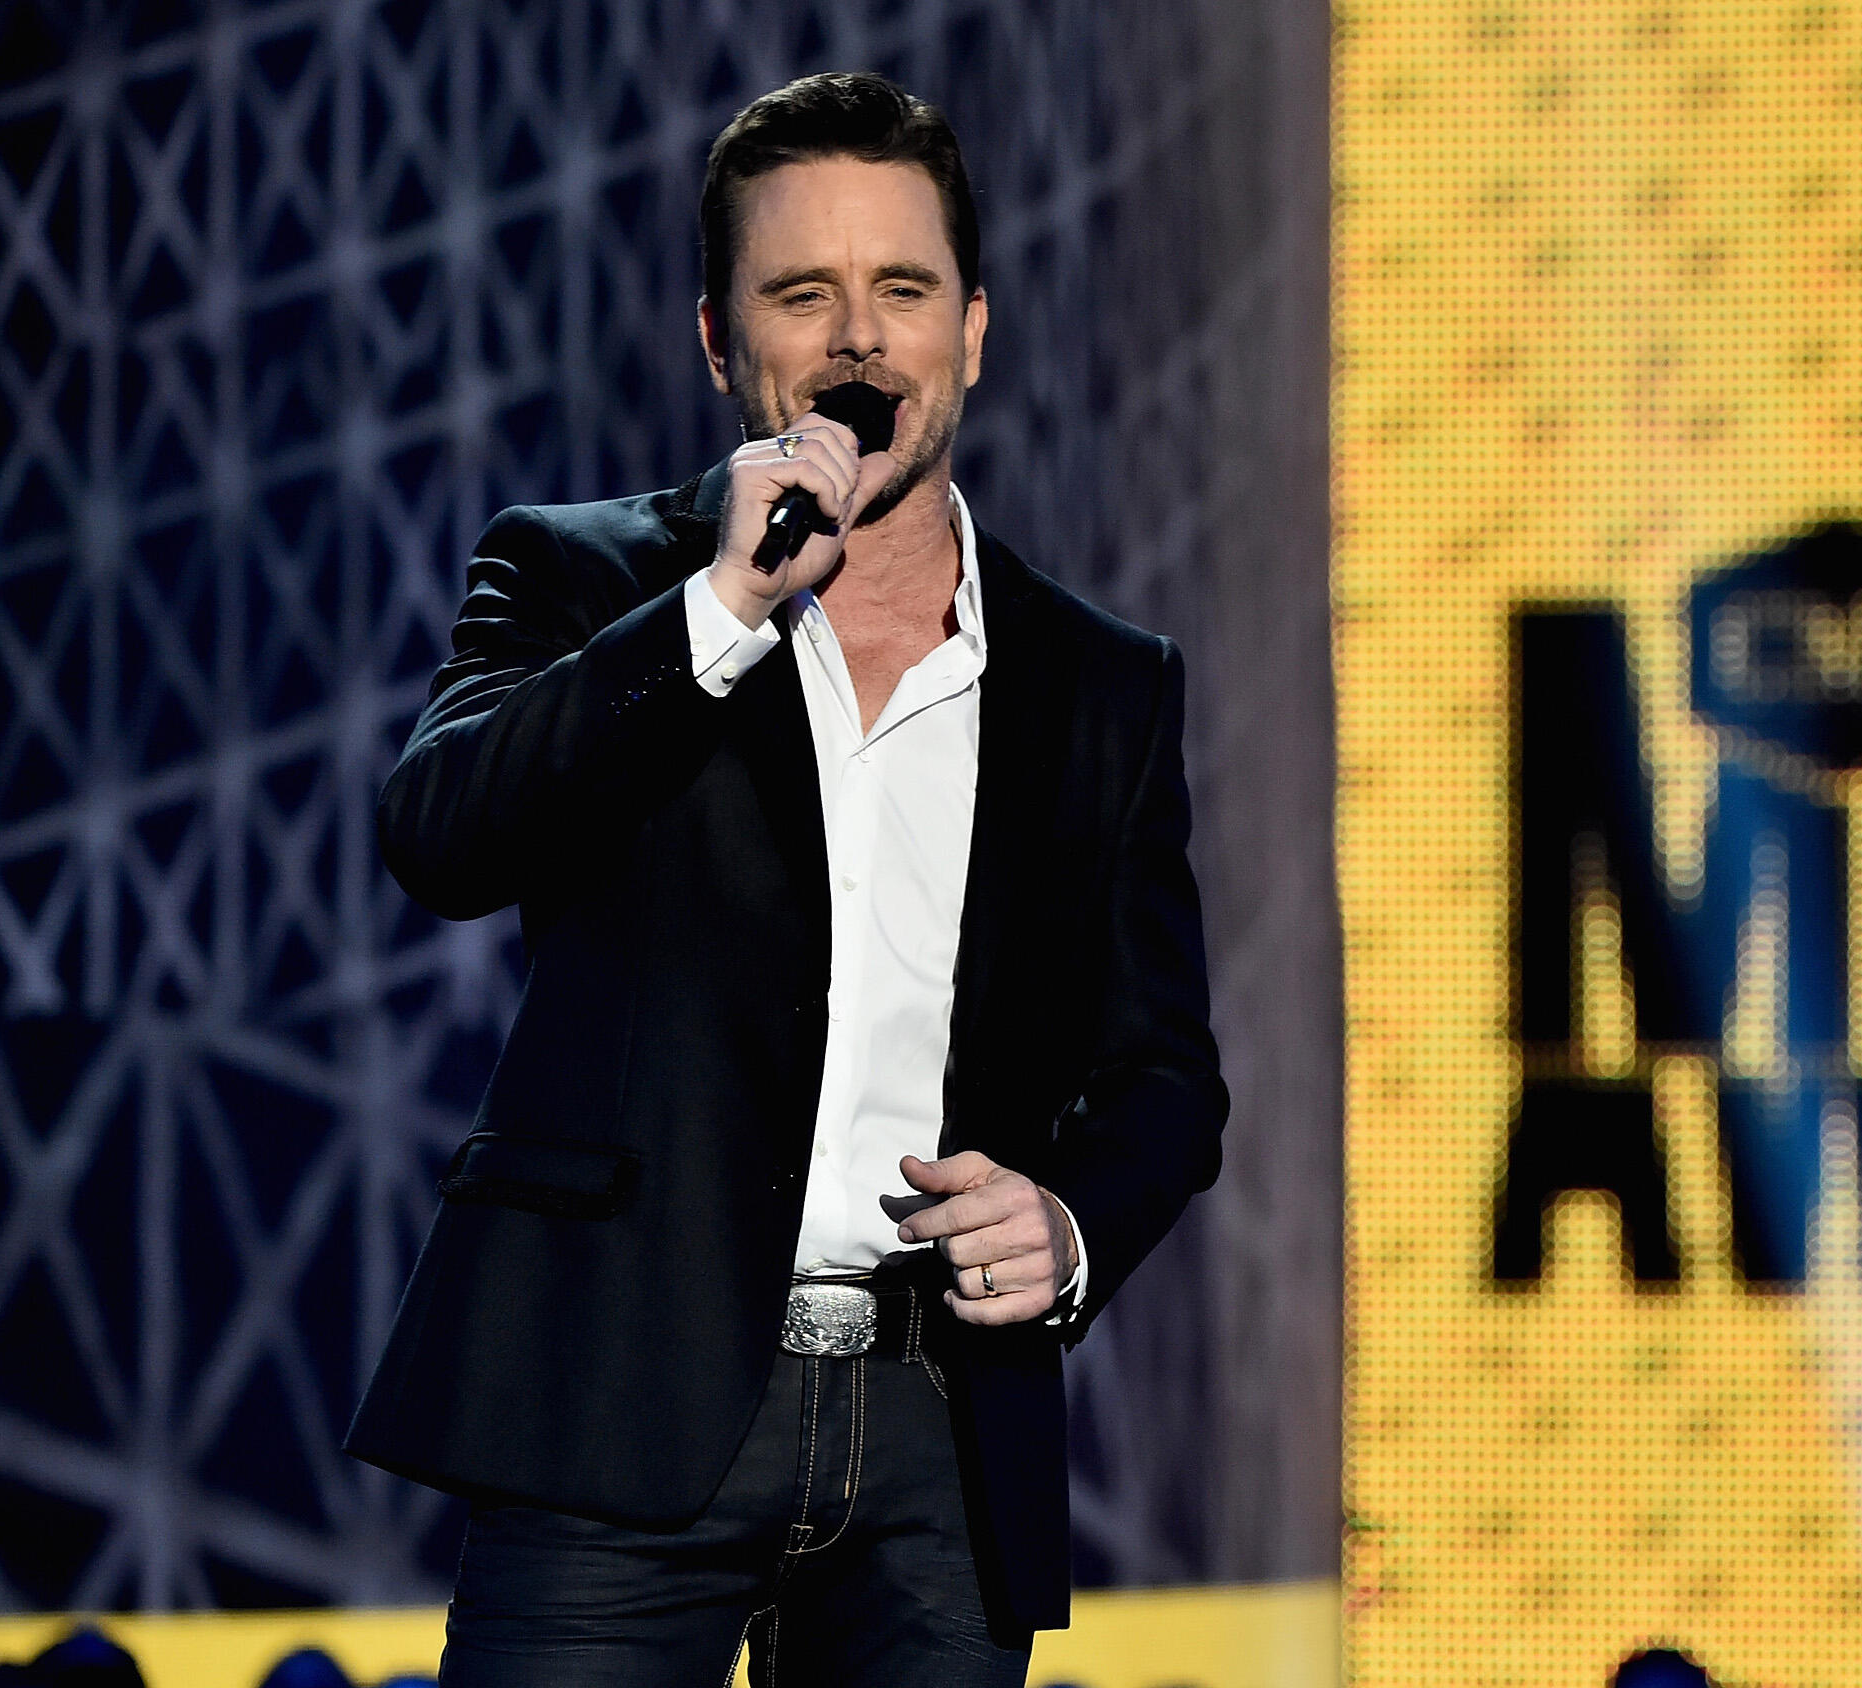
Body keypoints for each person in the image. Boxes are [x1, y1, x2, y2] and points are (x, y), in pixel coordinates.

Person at [345, 71, 1226, 1687]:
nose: (857, 342)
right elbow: (441, 836)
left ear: (974, 329)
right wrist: (722, 612)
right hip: (622, 1395)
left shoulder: (1103, 683)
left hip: (940, 1437)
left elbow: (1167, 1074)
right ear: (716, 341)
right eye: (800, 294)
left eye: (902, 290)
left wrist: (1072, 1226)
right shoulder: (583, 577)